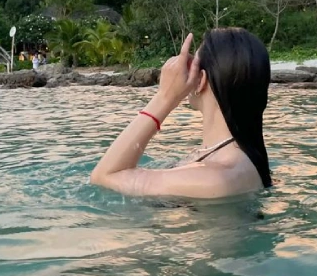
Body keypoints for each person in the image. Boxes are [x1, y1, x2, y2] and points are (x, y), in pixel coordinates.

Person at [90, 28, 272, 198]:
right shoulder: (240, 161)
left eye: (191, 66)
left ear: (200, 80)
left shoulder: (216, 178)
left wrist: (166, 97)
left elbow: (103, 178)